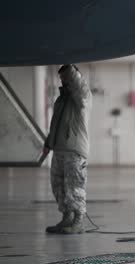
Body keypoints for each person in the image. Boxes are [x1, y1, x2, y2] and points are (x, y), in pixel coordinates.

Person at [43, 64, 92, 234]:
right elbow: (55, 124)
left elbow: (79, 86)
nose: (63, 80)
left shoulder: (83, 97)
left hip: (75, 150)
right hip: (59, 150)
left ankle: (78, 222)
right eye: (62, 78)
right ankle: (67, 218)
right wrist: (48, 144)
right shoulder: (61, 100)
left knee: (75, 186)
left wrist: (69, 65)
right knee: (58, 185)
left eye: (66, 77)